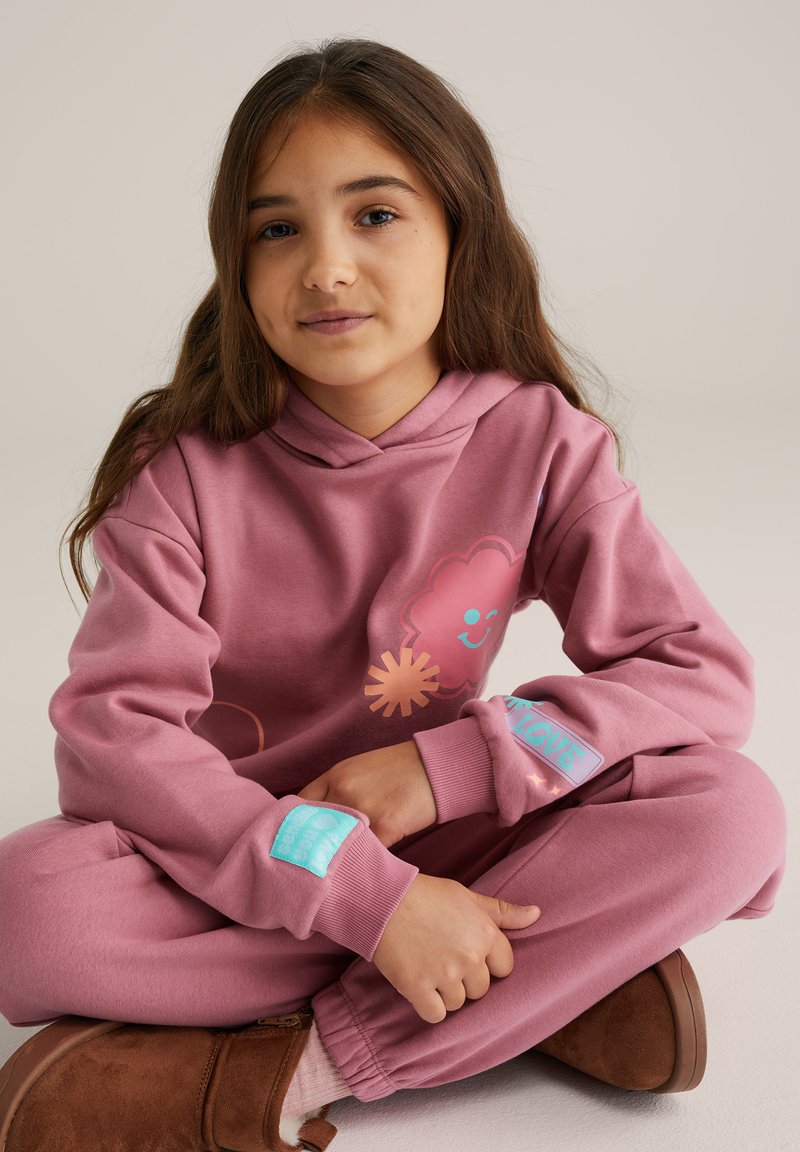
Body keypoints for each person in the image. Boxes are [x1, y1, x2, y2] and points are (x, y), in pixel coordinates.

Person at [0, 37, 786, 1152]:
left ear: (460, 231)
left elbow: (694, 673)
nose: (326, 268)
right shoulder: (181, 469)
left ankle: (307, 1068)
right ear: (235, 262)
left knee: (730, 812)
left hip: (450, 837)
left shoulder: (540, 442)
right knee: (26, 909)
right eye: (277, 229)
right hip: (247, 857)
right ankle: (540, 984)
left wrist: (444, 768)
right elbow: (113, 745)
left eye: (374, 214)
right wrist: (371, 902)